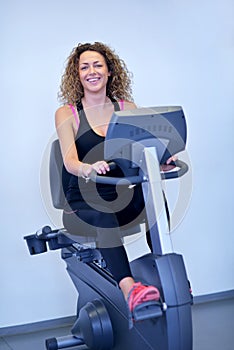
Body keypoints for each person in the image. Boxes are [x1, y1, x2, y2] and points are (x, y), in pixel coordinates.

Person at [55, 42, 163, 318]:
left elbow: (141, 151)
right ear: (77, 75)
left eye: (98, 65)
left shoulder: (128, 108)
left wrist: (160, 159)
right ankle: (131, 291)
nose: (92, 71)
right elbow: (70, 161)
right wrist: (88, 168)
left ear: (110, 71)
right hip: (83, 202)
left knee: (152, 197)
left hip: (118, 195)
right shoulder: (67, 114)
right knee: (103, 212)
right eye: (84, 67)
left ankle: (167, 273)